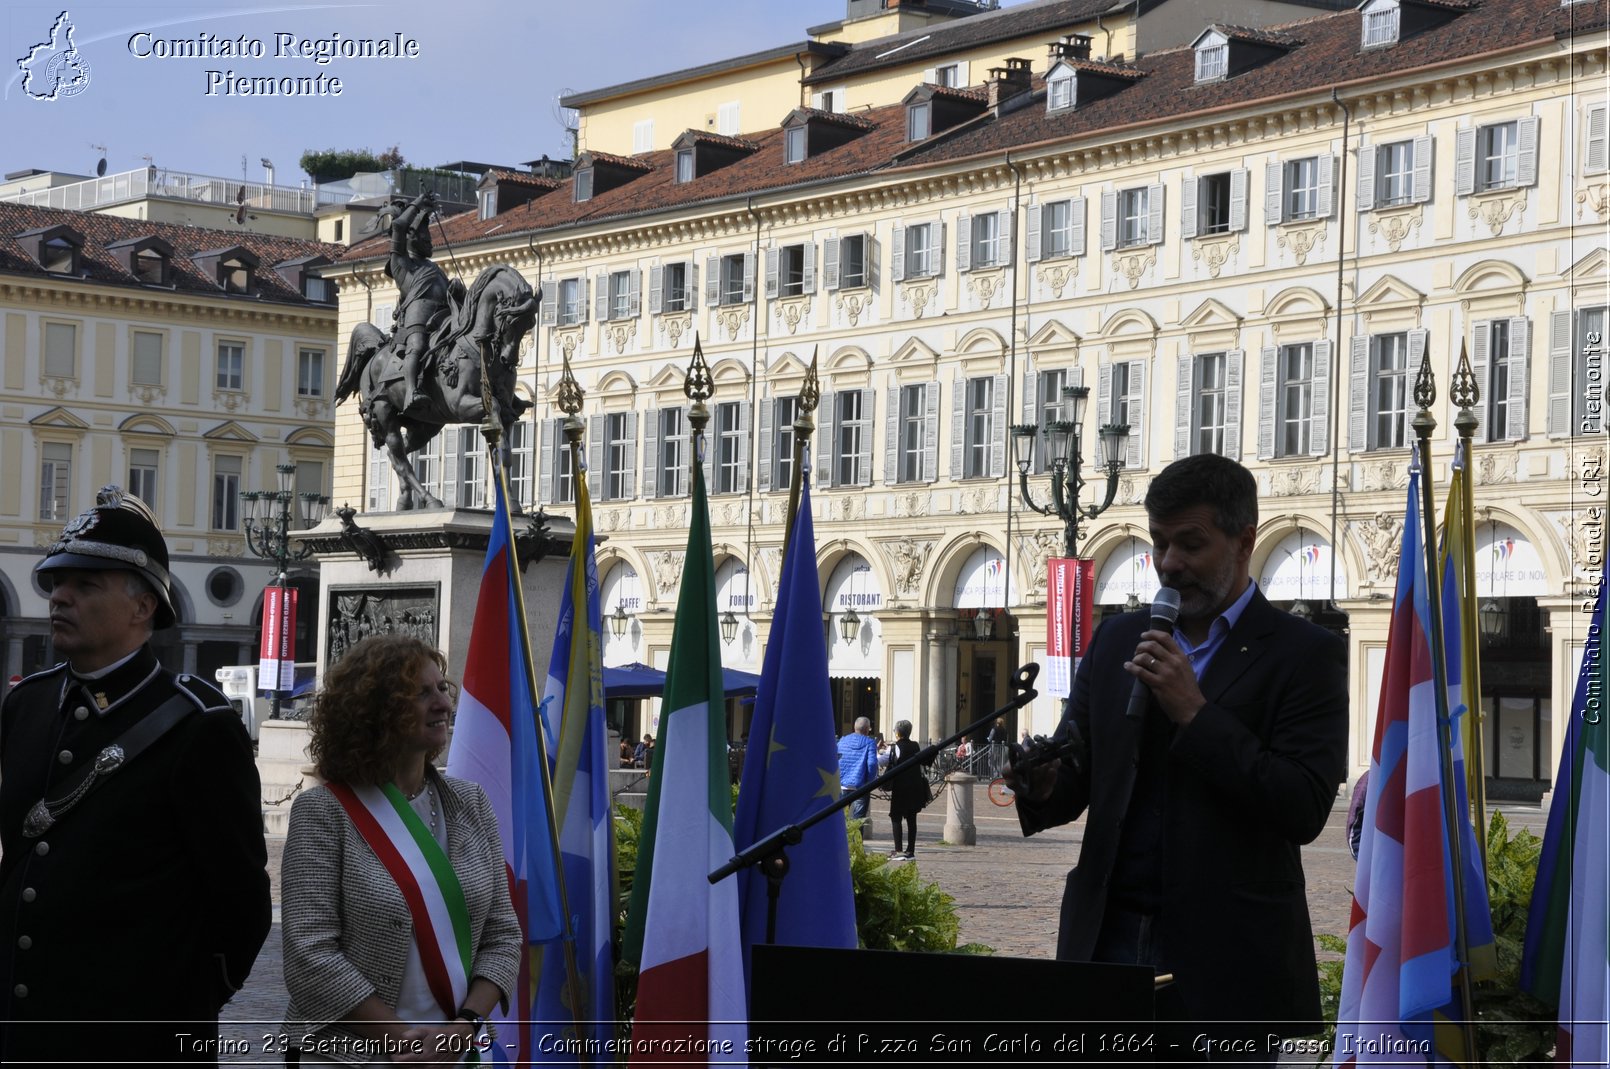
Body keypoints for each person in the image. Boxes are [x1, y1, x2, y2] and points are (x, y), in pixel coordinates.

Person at [1006, 454, 1347, 1058]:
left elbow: (1302, 805)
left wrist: (1195, 712)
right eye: (1160, 544)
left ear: (1245, 541)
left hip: (1230, 963)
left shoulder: (1305, 654)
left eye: (1191, 544)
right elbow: (1077, 779)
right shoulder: (1117, 638)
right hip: (1107, 941)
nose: (1170, 565)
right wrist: (1043, 783)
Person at [0, 487, 271, 1062]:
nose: (60, 597)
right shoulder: (27, 705)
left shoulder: (198, 725)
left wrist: (174, 1013)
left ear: (143, 606)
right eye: (57, 583)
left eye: (85, 585)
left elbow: (240, 902)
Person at [281, 635, 521, 1065]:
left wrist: (462, 1029)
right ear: (376, 710)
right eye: (421, 693)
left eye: (442, 689)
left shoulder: (472, 804)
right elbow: (310, 953)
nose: (444, 704)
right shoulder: (323, 811)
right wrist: (405, 1041)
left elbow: (503, 936)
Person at [386, 190, 451, 412]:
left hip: (445, 316)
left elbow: (449, 292)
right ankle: (411, 391)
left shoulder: (434, 268)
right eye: (424, 237)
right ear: (410, 239)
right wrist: (417, 203)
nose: (430, 241)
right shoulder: (401, 264)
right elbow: (398, 227)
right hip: (418, 319)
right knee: (418, 345)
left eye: (430, 237)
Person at [886, 720, 935, 862]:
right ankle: (911, 850)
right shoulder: (915, 745)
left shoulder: (895, 747)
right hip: (915, 786)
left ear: (897, 732)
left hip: (900, 787)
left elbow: (884, 760)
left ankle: (899, 850)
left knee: (896, 817)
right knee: (912, 819)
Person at [836, 716, 880, 832]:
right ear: (866, 729)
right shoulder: (870, 743)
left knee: (840, 819)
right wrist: (869, 781)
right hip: (860, 786)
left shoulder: (843, 740)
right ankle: (857, 846)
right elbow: (871, 764)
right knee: (857, 821)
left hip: (842, 784)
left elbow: (836, 760)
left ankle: (843, 846)